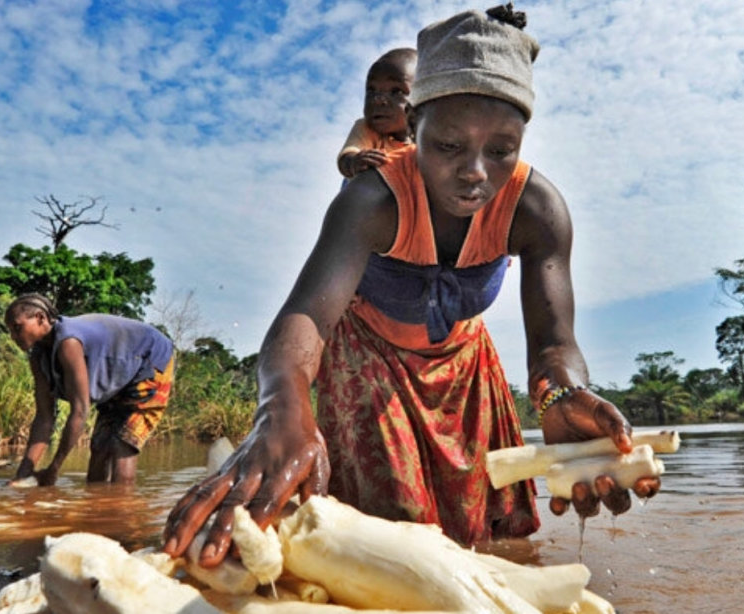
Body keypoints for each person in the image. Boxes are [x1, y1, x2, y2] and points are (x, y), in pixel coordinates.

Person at [163, 5, 662, 567]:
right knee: (386, 536)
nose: (476, 171)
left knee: (491, 542)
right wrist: (281, 406)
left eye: (501, 150)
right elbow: (305, 316)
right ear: (413, 125)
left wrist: (562, 393)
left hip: (465, 371)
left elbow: (553, 344)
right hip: (371, 360)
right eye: (449, 146)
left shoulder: (536, 209)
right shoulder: (372, 199)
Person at [3, 293, 175, 486]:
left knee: (122, 445)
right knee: (99, 448)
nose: (14, 337)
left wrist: (53, 469)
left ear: (40, 318)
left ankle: (122, 511)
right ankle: (96, 511)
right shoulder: (37, 356)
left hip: (149, 360)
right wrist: (23, 475)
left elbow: (80, 411)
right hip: (119, 378)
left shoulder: (69, 342)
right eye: (10, 331)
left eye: (18, 328)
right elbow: (44, 417)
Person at [336, 47, 417, 180]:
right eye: (371, 90)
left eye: (396, 91)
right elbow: (347, 156)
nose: (378, 100)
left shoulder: (428, 138)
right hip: (370, 197)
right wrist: (355, 162)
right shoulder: (367, 128)